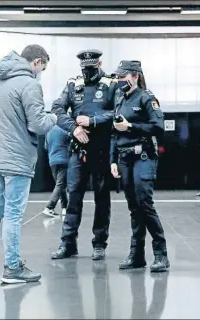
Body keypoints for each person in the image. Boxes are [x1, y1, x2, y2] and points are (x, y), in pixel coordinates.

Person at [0, 45, 57, 284]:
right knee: (12, 214)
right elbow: (38, 125)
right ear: (37, 62)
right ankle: (12, 268)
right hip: (17, 160)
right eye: (42, 68)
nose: (41, 73)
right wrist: (55, 116)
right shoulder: (30, 84)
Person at [50, 49, 118, 261]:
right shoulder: (73, 84)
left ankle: (99, 243)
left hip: (101, 151)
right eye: (84, 69)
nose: (87, 72)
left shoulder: (111, 83)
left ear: (99, 64)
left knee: (102, 199)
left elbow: (118, 111)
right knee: (72, 199)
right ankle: (68, 243)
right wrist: (74, 128)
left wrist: (93, 121)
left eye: (91, 68)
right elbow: (57, 109)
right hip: (78, 151)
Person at [109, 60, 169, 272]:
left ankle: (161, 253)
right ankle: (137, 255)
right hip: (124, 158)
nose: (119, 80)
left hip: (143, 156)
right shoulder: (119, 99)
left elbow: (158, 128)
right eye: (117, 77)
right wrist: (113, 159)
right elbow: (115, 133)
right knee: (134, 207)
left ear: (135, 76)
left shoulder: (147, 98)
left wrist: (131, 126)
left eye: (122, 76)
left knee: (144, 204)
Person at [41, 124, 69, 218]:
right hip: (64, 160)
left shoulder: (48, 130)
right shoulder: (66, 128)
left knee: (60, 185)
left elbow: (46, 147)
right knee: (60, 185)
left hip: (52, 161)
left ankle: (65, 207)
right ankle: (49, 207)